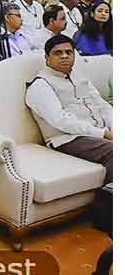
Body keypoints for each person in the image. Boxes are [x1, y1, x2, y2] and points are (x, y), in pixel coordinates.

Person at [24, 35, 112, 182]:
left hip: (96, 134)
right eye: (58, 53)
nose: (64, 56)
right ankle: (105, 203)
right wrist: (103, 134)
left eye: (69, 52)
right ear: (47, 58)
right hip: (67, 139)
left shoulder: (79, 77)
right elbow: (62, 121)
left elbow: (102, 105)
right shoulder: (40, 85)